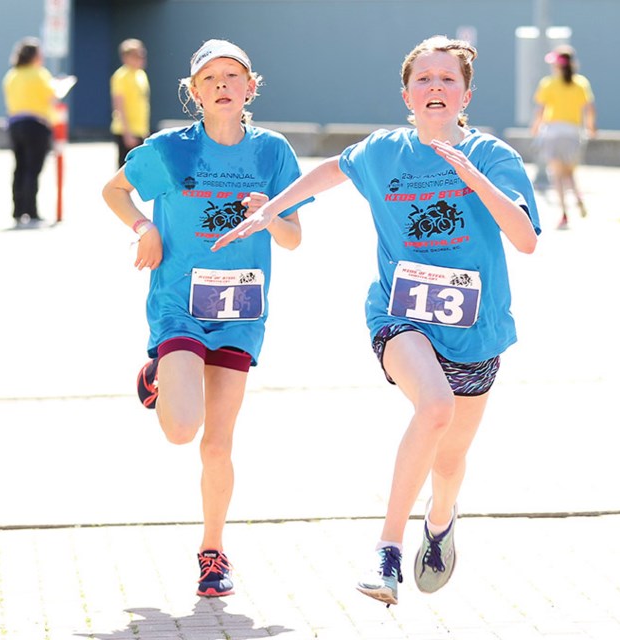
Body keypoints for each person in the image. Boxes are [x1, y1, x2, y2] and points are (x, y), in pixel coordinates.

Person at [212, 35, 540, 607]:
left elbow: (526, 240)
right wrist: (272, 208)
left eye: (448, 80)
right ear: (407, 94)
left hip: (476, 330)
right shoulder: (384, 151)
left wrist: (473, 177)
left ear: (465, 95)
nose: (435, 87)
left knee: (451, 458)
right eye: (424, 79)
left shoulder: (493, 156)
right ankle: (386, 551)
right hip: (399, 314)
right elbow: (331, 171)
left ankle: (440, 521)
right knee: (434, 407)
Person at [101, 39, 310, 598]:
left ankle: (213, 552)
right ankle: (160, 378)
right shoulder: (170, 149)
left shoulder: (274, 153)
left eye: (232, 76)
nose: (222, 85)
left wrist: (268, 218)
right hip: (179, 304)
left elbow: (293, 238)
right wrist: (145, 228)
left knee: (217, 444)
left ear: (250, 87)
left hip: (241, 310)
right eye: (210, 78)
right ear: (194, 92)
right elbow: (114, 190)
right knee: (180, 430)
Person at [2, 37, 75, 226]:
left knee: (19, 168)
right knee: (33, 169)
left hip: (14, 124)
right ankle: (31, 212)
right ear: (35, 56)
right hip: (36, 124)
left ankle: (18, 211)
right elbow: (54, 95)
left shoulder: (12, 75)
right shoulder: (40, 74)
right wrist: (63, 84)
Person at [530, 44, 597, 230]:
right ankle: (578, 197)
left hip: (553, 132)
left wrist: (535, 127)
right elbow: (589, 108)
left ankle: (564, 214)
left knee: (557, 176)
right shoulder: (581, 83)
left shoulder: (548, 83)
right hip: (574, 132)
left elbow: (540, 110)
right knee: (570, 172)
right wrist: (591, 128)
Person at [110, 38, 151, 168]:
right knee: (125, 170)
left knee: (140, 170)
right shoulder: (121, 76)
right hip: (126, 131)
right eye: (137, 55)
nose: (141, 58)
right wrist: (127, 133)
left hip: (140, 130)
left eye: (142, 54)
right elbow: (118, 105)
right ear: (126, 57)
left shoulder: (141, 75)